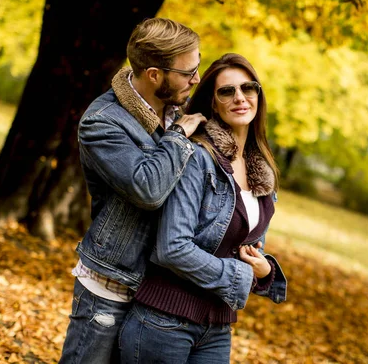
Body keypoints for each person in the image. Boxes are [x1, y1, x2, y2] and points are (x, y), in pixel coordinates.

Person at [118, 53, 288, 363]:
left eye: (248, 88)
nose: (240, 97)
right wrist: (241, 277)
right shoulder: (198, 157)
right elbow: (172, 247)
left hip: (217, 327)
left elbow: (240, 245)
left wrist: (265, 271)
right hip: (164, 321)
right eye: (227, 91)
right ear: (213, 102)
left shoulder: (262, 171)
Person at [59, 18, 207, 364]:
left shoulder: (177, 109)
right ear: (154, 74)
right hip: (110, 284)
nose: (196, 79)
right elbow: (148, 189)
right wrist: (178, 138)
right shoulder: (104, 121)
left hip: (155, 290)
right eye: (189, 72)